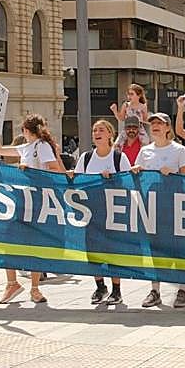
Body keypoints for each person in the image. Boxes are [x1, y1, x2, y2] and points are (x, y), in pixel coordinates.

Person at [0, 113, 63, 304]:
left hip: (36, 200)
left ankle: (33, 288)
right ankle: (14, 284)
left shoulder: (41, 146)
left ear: (25, 130)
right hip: (23, 200)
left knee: (33, 244)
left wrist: (30, 172)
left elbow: (54, 169)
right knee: (11, 240)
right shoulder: (27, 147)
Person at [131, 112, 185, 309]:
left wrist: (172, 174)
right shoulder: (145, 151)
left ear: (168, 128)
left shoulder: (178, 150)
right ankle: (155, 290)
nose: (155, 126)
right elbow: (137, 175)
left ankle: (182, 289)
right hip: (152, 206)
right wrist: (136, 171)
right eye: (153, 123)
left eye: (160, 123)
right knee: (155, 248)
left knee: (179, 248)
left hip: (175, 206)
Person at [73, 119, 132, 306]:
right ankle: (100, 286)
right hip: (92, 213)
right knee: (93, 252)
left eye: (101, 130)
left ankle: (116, 289)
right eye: (94, 130)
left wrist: (112, 180)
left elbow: (129, 184)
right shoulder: (86, 158)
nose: (96, 133)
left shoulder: (119, 158)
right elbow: (78, 183)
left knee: (113, 250)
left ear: (110, 134)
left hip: (113, 213)